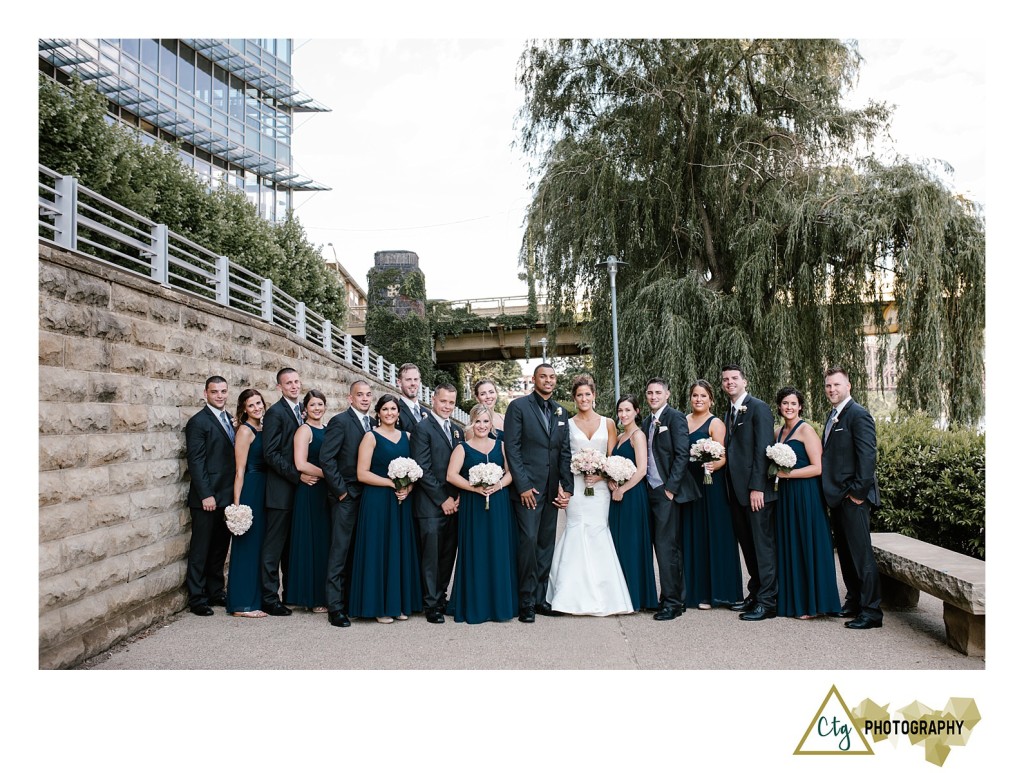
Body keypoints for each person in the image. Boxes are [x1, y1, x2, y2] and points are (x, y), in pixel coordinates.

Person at [547, 375, 633, 616]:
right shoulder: (567, 423)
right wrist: (563, 487)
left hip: (601, 489)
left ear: (594, 396)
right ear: (574, 399)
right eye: (579, 395)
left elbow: (613, 457)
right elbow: (563, 457)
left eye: (587, 394)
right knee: (575, 529)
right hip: (575, 486)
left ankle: (605, 595)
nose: (584, 398)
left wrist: (602, 476)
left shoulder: (607, 423)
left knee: (598, 530)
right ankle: (567, 596)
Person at [503, 362, 573, 622]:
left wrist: (567, 487)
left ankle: (541, 598)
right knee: (529, 543)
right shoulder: (518, 407)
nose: (548, 380)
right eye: (543, 376)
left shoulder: (561, 412)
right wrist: (522, 485)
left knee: (546, 544)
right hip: (528, 490)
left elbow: (564, 451)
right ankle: (525, 602)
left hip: (552, 490)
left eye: (552, 377)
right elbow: (512, 448)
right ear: (534, 380)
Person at [348, 395, 423, 623]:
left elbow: (415, 469)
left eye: (393, 408)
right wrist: (391, 483)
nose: (389, 412)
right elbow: (362, 473)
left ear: (398, 412)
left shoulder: (408, 437)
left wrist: (408, 487)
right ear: (378, 413)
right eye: (385, 409)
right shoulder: (370, 437)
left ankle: (398, 603)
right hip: (377, 500)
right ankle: (379, 606)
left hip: (401, 500)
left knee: (399, 549)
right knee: (379, 550)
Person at [821, 367, 883, 630]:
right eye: (828, 386)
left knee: (860, 555)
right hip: (837, 497)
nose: (832, 389)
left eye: (836, 385)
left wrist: (857, 494)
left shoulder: (858, 415)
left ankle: (871, 612)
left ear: (849, 386)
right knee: (845, 554)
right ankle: (855, 600)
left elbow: (868, 457)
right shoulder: (833, 415)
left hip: (853, 497)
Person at [772, 387, 842, 619]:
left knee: (807, 542)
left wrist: (788, 475)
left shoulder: (806, 431)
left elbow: (817, 467)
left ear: (800, 406)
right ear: (779, 406)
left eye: (793, 403)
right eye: (785, 403)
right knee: (790, 543)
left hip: (805, 494)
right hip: (785, 496)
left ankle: (814, 603)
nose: (789, 407)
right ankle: (794, 599)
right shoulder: (778, 432)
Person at [446, 404, 518, 623]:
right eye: (478, 421)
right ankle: (475, 604)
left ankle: (499, 605)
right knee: (476, 550)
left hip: (498, 503)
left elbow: (510, 472)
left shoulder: (502, 446)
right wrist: (473, 487)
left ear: (491, 424)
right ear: (471, 423)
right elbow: (451, 475)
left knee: (498, 549)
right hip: (473, 505)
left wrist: (499, 485)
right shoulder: (462, 448)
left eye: (486, 421)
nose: (482, 425)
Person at [720, 364, 778, 622]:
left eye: (734, 378)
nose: (729, 382)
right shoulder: (728, 412)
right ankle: (755, 593)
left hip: (755, 493)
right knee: (748, 546)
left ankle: (768, 602)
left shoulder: (758, 408)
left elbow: (763, 450)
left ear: (745, 381)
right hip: (736, 493)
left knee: (762, 547)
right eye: (725, 379)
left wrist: (758, 487)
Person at [642, 376, 701, 620]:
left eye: (658, 392)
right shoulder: (646, 422)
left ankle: (672, 602)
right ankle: (673, 596)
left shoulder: (675, 417)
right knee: (660, 546)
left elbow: (682, 454)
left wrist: (670, 488)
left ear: (667, 394)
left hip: (666, 491)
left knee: (667, 547)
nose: (653, 396)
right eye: (649, 393)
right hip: (648, 490)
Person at [682, 379, 743, 610]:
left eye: (703, 396)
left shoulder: (715, 423)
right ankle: (696, 592)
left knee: (716, 534)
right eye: (695, 395)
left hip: (711, 485)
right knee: (694, 536)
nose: (699, 399)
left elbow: (723, 456)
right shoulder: (683, 420)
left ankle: (721, 592)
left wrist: (712, 465)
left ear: (711, 399)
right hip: (689, 484)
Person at [319, 379, 374, 628]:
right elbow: (326, 459)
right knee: (339, 551)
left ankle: (354, 600)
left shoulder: (373, 424)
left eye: (368, 394)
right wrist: (341, 492)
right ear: (350, 398)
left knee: (359, 550)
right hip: (346, 495)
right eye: (359, 395)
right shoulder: (340, 422)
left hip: (369, 496)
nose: (365, 398)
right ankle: (335, 607)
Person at [261, 367, 312, 616]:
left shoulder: (302, 411)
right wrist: (297, 474)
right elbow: (269, 453)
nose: (294, 386)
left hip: (298, 492)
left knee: (292, 546)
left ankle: (290, 593)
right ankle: (270, 598)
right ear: (279, 387)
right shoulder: (275, 413)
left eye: (296, 381)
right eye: (288, 383)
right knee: (274, 547)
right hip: (281, 490)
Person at [410, 383, 462, 623]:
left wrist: (458, 496)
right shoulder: (423, 428)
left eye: (451, 402)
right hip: (431, 505)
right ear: (433, 399)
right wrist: (443, 499)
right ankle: (430, 604)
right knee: (430, 556)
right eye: (443, 401)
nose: (447, 407)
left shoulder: (456, 430)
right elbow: (422, 469)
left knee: (447, 555)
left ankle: (441, 597)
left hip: (454, 504)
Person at [183, 376, 234, 615]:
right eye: (215, 392)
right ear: (206, 394)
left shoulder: (230, 420)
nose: (220, 395)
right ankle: (197, 598)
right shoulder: (198, 422)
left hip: (226, 496)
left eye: (223, 391)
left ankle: (215, 592)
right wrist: (206, 494)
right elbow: (196, 461)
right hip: (207, 498)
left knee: (219, 549)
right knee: (201, 549)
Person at [608, 394, 659, 611]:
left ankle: (637, 597)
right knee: (618, 544)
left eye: (628, 410)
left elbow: (642, 469)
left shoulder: (637, 436)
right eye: (620, 410)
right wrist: (611, 480)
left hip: (632, 495)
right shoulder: (620, 436)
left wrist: (623, 489)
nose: (623, 414)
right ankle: (621, 595)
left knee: (632, 544)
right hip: (617, 495)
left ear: (637, 412)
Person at [283, 390, 329, 611]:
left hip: (324, 493)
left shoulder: (327, 430)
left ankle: (322, 594)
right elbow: (300, 464)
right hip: (310, 491)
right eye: (313, 405)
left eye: (320, 404)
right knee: (310, 541)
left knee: (323, 542)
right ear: (305, 410)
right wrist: (329, 474)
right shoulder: (304, 430)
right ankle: (310, 597)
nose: (317, 408)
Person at [226, 388, 268, 618]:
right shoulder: (245, 431)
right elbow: (239, 470)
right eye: (251, 405)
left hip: (264, 489)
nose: (257, 408)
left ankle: (256, 597)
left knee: (260, 546)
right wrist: (238, 505)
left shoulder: (263, 427)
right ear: (243, 409)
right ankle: (242, 604)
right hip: (251, 488)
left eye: (259, 403)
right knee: (247, 546)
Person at [396, 363, 428, 430]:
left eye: (416, 379)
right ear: (399, 382)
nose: (413, 383)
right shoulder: (395, 412)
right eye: (408, 379)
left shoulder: (429, 414)